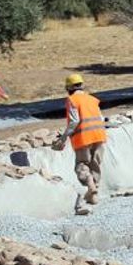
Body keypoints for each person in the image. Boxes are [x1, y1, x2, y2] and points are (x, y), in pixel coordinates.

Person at [51, 74, 108, 206]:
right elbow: (100, 118)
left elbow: (74, 121)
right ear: (82, 85)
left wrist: (63, 138)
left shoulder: (72, 100)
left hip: (83, 137)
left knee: (82, 165)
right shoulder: (92, 99)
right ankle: (93, 195)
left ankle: (91, 186)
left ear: (69, 87)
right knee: (95, 165)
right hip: (99, 136)